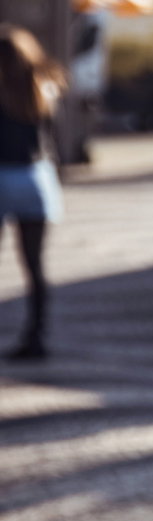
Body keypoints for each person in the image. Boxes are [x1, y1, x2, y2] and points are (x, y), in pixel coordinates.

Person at [0, 25, 66, 361]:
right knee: (34, 266)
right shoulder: (44, 87)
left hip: (2, 175)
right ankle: (36, 336)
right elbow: (56, 140)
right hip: (35, 178)